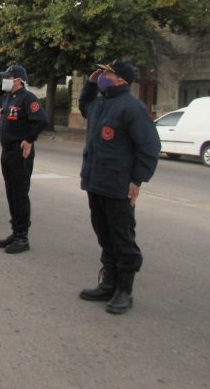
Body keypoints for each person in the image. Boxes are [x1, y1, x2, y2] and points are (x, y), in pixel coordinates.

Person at [78, 60, 160, 315]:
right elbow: (84, 107)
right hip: (96, 181)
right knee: (104, 236)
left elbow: (149, 147)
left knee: (122, 238)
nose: (103, 75)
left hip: (118, 186)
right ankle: (109, 283)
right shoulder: (101, 103)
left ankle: (124, 290)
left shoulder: (132, 107)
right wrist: (91, 84)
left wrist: (137, 180)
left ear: (121, 80)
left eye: (108, 73)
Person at [0, 65, 48, 254]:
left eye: (7, 78)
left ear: (18, 80)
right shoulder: (10, 98)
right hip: (7, 151)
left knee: (19, 194)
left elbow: (41, 120)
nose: (4, 80)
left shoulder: (28, 98)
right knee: (11, 193)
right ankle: (15, 231)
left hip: (20, 153)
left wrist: (29, 139)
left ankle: (23, 237)